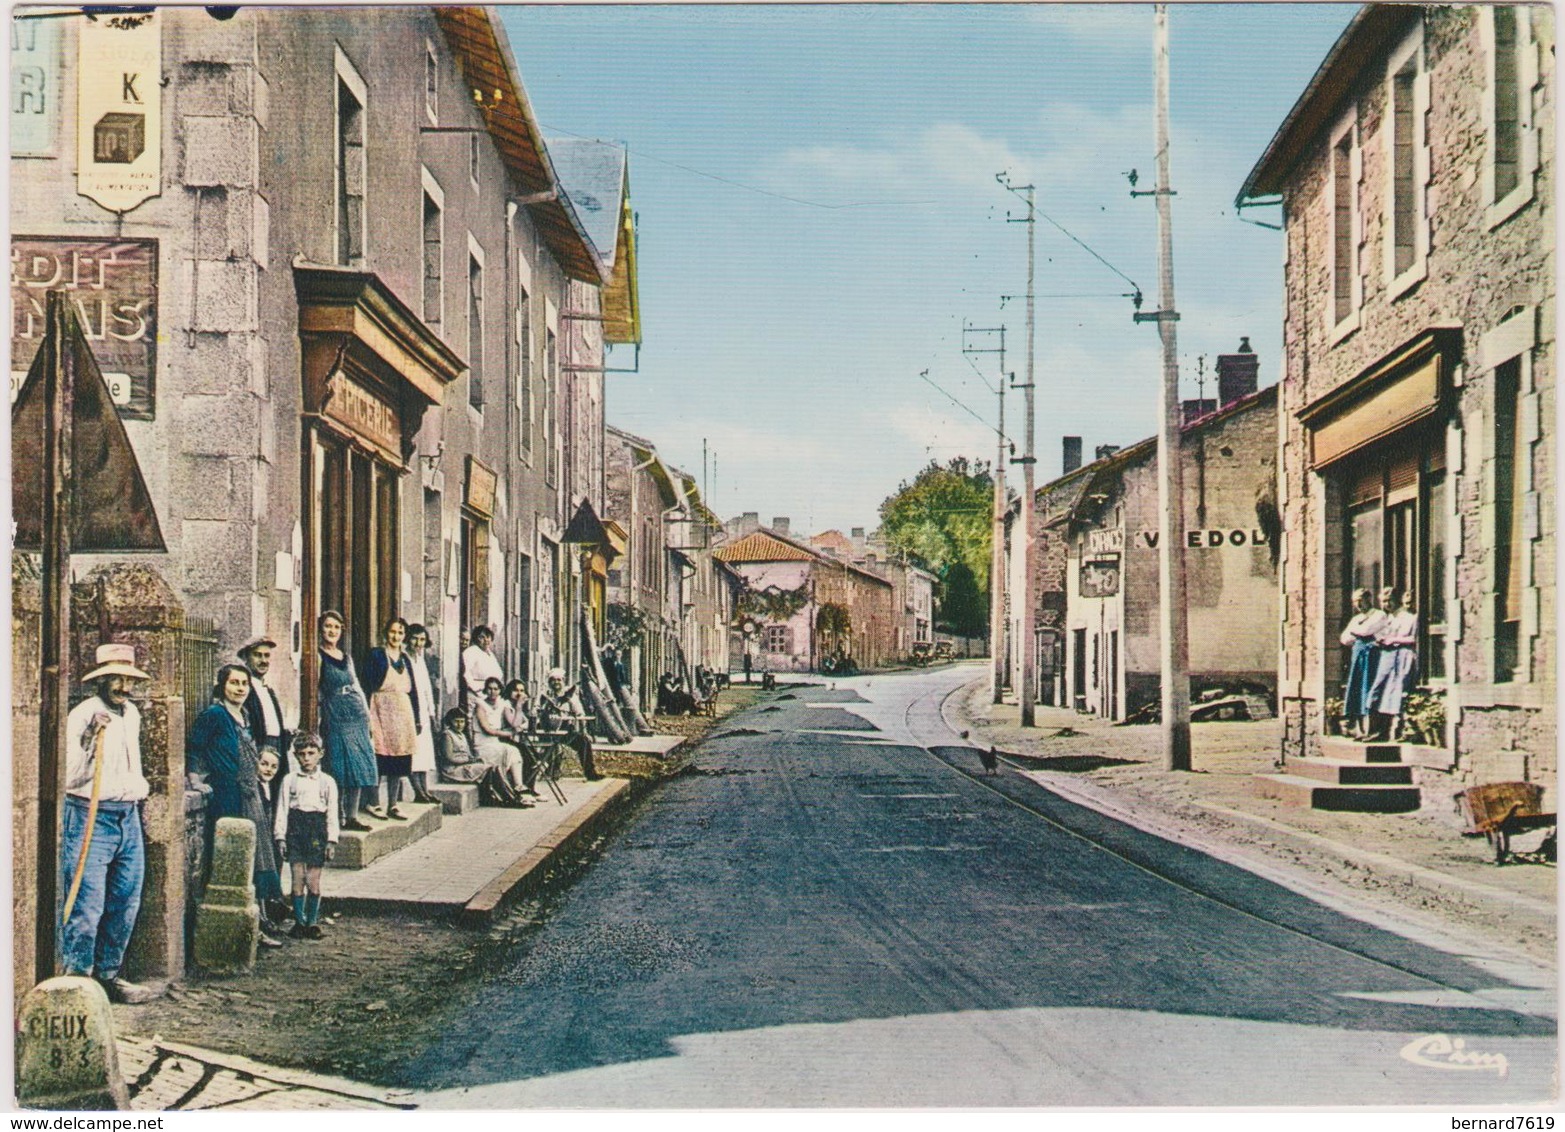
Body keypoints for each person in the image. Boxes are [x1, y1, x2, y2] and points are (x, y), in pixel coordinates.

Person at [61, 643, 160, 1003]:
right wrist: (89, 739)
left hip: (128, 816)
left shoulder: (131, 713)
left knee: (125, 901)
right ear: (100, 680)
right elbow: (69, 778)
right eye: (115, 678)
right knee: (87, 907)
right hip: (90, 817)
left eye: (127, 678)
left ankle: (108, 976)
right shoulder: (82, 714)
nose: (122, 685)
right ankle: (78, 985)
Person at [188, 664, 285, 948]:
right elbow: (194, 747)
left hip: (249, 792)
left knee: (256, 856)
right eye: (234, 683)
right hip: (228, 795)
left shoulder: (243, 716)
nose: (240, 688)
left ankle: (257, 921)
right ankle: (237, 927)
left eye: (244, 683)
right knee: (232, 859)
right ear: (222, 686)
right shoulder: (215, 715)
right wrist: (195, 781)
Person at [315, 610, 379, 832]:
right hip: (336, 713)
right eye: (327, 626)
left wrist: (368, 717)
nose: (332, 631)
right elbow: (315, 690)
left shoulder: (346, 657)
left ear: (341, 631)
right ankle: (337, 816)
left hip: (356, 713)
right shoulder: (317, 656)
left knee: (358, 764)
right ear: (320, 629)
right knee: (339, 766)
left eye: (336, 627)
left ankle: (352, 816)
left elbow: (358, 686)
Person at [274, 731, 338, 940]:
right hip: (295, 830)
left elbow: (332, 813)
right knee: (297, 878)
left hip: (316, 832)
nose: (307, 758)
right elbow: (282, 809)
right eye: (302, 754)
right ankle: (299, 922)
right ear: (295, 755)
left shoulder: (327, 782)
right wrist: (280, 837)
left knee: (313, 880)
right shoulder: (289, 780)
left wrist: (331, 840)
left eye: (311, 753)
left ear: (321, 754)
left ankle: (312, 922)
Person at [363, 617, 419, 821]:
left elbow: (414, 692)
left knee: (399, 759)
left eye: (400, 633)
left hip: (402, 713)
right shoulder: (377, 655)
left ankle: (393, 805)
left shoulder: (405, 659)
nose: (396, 636)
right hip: (380, 709)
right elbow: (367, 685)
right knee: (378, 755)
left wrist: (418, 718)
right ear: (386, 633)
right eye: (393, 632)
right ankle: (374, 802)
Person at [1369, 587, 1420, 741]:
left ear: (1397, 600)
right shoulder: (1388, 619)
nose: (1386, 605)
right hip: (1387, 656)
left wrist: (1394, 640)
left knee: (1399, 692)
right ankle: (1378, 731)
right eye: (1383, 602)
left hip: (1402, 656)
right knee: (1378, 690)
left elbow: (1413, 639)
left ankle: (1401, 730)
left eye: (1389, 601)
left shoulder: (1408, 617)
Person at [239, 636, 292, 776]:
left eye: (266, 656)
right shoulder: (244, 689)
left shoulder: (267, 690)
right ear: (245, 657)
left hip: (276, 748)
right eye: (257, 655)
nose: (263, 660)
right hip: (258, 749)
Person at [1339, 588, 1387, 740]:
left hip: (1373, 655)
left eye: (1361, 600)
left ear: (1369, 599)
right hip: (1358, 654)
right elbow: (1345, 638)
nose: (1358, 604)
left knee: (1370, 688)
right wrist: (1356, 633)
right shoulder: (1356, 618)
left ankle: (1372, 729)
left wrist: (1357, 633)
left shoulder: (1379, 614)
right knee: (1357, 688)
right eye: (1355, 601)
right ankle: (1360, 729)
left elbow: (1367, 630)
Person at [472, 677, 530, 800]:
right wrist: (509, 733)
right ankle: (510, 789)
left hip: (495, 743)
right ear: (485, 690)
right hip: (483, 745)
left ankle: (519, 786)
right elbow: (488, 730)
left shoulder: (501, 704)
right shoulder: (480, 705)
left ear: (500, 690)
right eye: (489, 688)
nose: (492, 692)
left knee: (514, 750)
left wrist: (519, 707)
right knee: (507, 750)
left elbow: (514, 723)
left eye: (496, 689)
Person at [538, 668, 601, 780]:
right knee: (547, 746)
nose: (556, 682)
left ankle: (590, 773)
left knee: (583, 742)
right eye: (553, 680)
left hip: (565, 729)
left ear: (563, 681)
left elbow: (580, 714)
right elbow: (536, 710)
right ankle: (551, 769)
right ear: (549, 682)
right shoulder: (544, 694)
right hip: (547, 729)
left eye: (559, 680)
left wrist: (584, 731)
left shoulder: (570, 695)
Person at [255, 748, 291, 931]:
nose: (268, 769)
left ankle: (270, 910)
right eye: (264, 764)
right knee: (260, 876)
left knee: (273, 870)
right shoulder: (254, 788)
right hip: (259, 838)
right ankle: (261, 916)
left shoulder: (274, 788)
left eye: (274, 766)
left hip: (271, 837)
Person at [405, 624, 440, 804]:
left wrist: (432, 714)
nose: (418, 643)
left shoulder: (421, 659)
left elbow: (426, 688)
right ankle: (417, 791)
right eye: (415, 638)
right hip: (411, 710)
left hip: (424, 712)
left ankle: (425, 789)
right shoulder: (404, 659)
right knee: (414, 753)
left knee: (425, 753)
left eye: (422, 639)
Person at [502, 679, 541, 797]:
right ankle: (523, 788)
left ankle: (530, 787)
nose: (519, 693)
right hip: (503, 738)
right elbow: (514, 724)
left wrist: (521, 723)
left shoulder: (516, 706)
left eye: (522, 691)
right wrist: (519, 706)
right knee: (529, 757)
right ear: (509, 691)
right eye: (515, 690)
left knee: (535, 758)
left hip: (514, 738)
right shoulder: (506, 705)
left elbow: (525, 723)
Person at [461, 626, 504, 716]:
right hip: (477, 694)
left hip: (491, 695)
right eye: (482, 637)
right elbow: (466, 673)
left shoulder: (490, 654)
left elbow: (498, 674)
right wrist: (478, 690)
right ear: (476, 639)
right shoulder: (471, 652)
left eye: (488, 637)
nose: (486, 640)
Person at [437, 708, 487, 784]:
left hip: (464, 765)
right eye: (456, 721)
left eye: (462, 722)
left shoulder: (462, 735)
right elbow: (449, 757)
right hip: (452, 769)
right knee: (485, 769)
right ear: (450, 721)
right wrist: (467, 761)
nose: (459, 725)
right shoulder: (447, 735)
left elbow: (468, 754)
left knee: (489, 767)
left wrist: (474, 759)